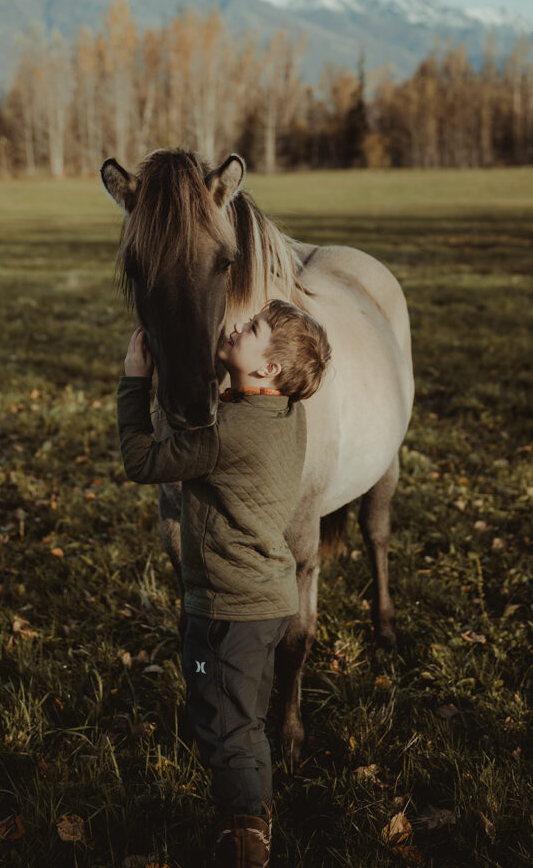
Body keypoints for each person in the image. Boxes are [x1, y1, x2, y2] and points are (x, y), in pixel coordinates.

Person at [117, 299, 331, 868]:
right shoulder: (288, 414)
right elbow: (240, 398)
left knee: (223, 726)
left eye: (252, 328)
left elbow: (141, 461)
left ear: (268, 371)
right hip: (269, 602)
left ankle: (243, 841)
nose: (237, 325)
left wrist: (135, 382)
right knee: (247, 718)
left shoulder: (221, 435)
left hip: (226, 609)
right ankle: (257, 809)